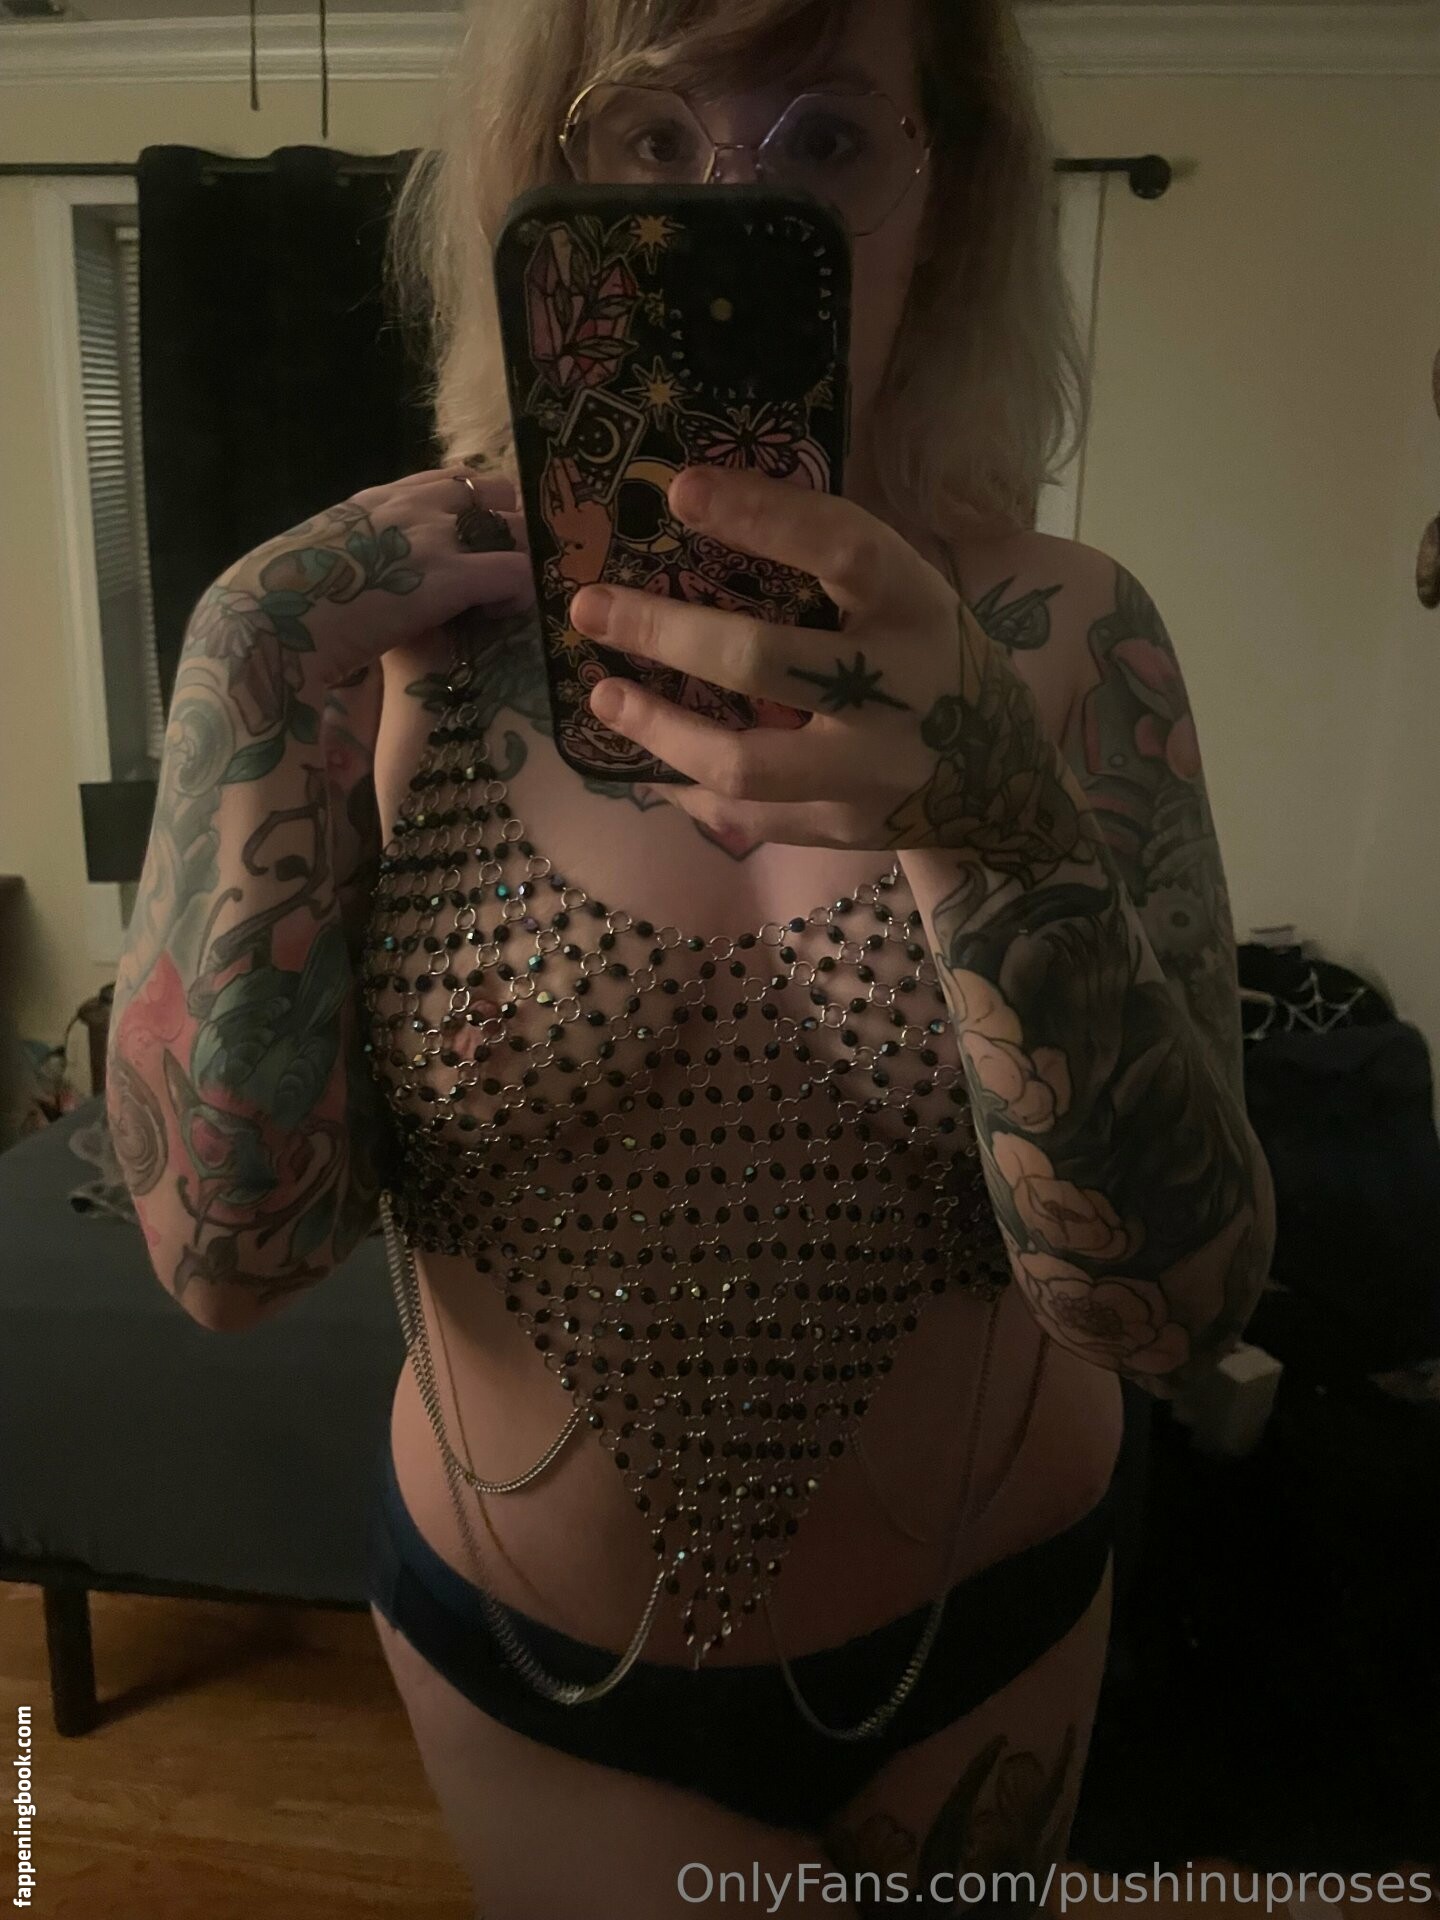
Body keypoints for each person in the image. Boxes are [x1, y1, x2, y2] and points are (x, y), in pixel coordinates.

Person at [106, 0, 1275, 1912]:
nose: (731, 210)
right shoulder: (392, 642)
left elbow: (1183, 1304)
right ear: (531, 180)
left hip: (989, 1626)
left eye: (827, 141)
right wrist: (242, 668)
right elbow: (228, 1260)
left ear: (949, 196)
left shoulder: (1069, 637)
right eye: (647, 138)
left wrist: (989, 817)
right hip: (533, 1672)